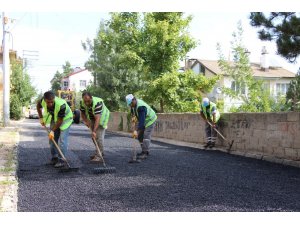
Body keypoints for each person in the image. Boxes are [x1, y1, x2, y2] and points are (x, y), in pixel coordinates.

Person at [37, 91, 73, 168]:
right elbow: (38, 105)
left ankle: (62, 160)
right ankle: (54, 158)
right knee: (52, 139)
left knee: (63, 140)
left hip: (66, 119)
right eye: (48, 102)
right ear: (45, 99)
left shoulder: (61, 105)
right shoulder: (42, 100)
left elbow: (60, 121)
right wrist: (41, 118)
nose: (50, 104)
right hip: (55, 118)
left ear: (54, 99)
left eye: (52, 102)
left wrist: (52, 131)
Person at [80, 91, 110, 163]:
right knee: (93, 138)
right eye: (85, 101)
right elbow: (83, 113)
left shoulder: (97, 103)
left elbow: (98, 118)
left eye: (88, 101)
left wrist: (94, 131)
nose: (86, 103)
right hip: (93, 118)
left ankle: (99, 156)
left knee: (98, 137)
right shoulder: (82, 102)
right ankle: (99, 152)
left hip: (101, 118)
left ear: (91, 97)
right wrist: (86, 121)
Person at [125, 94, 157, 160]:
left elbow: (141, 124)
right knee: (140, 136)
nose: (130, 105)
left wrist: (136, 131)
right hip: (145, 120)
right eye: (129, 104)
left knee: (146, 136)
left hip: (150, 120)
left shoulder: (141, 107)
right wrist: (133, 119)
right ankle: (144, 150)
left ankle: (145, 153)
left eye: (131, 103)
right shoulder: (133, 105)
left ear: (134, 100)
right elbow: (133, 113)